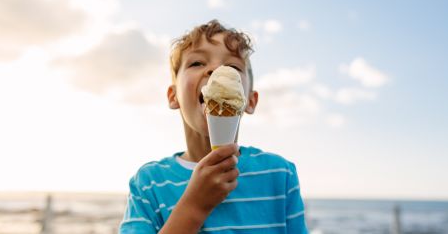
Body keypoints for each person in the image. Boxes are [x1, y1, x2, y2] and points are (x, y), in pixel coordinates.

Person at [119, 20, 309, 233]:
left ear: (250, 100)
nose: (217, 70)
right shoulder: (148, 184)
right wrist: (194, 206)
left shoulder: (280, 175)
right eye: (197, 63)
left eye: (233, 67)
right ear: (173, 96)